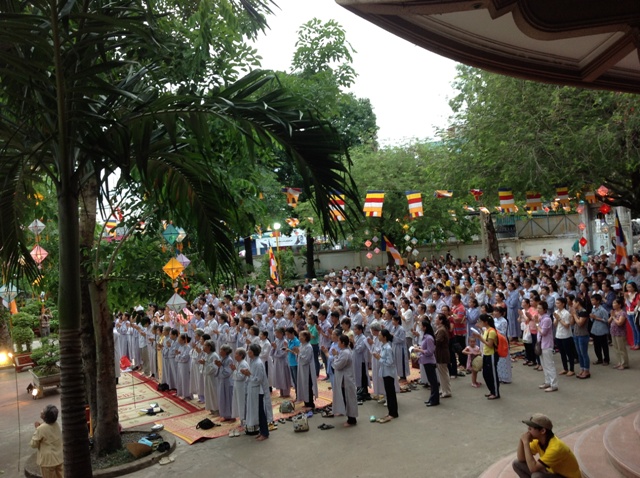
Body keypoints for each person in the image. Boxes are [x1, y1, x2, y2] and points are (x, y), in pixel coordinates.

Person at [512, 413, 581, 478]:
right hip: (553, 473)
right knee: (517, 463)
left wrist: (526, 442)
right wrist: (521, 440)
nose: (528, 431)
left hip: (566, 477)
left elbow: (533, 468)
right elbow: (521, 458)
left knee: (537, 476)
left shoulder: (556, 448)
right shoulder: (538, 441)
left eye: (530, 428)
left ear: (542, 431)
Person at [245, 344, 273, 441]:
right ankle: (261, 431)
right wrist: (248, 374)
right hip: (254, 389)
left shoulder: (258, 363)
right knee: (257, 412)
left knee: (261, 412)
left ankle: (265, 433)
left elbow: (259, 379)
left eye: (249, 350)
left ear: (253, 352)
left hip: (259, 391)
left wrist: (249, 375)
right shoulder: (253, 361)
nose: (248, 352)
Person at [331, 334, 359, 427]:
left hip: (347, 379)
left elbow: (338, 365)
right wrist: (336, 355)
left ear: (343, 343)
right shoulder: (344, 351)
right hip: (344, 379)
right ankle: (347, 415)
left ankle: (352, 419)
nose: (337, 342)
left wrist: (334, 356)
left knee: (349, 399)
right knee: (345, 398)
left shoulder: (346, 353)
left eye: (339, 341)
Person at [30, 404, 63, 478]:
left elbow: (33, 444)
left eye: (43, 410)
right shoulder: (56, 424)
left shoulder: (41, 429)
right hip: (59, 459)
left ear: (45, 416)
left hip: (48, 462)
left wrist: (37, 429)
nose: (41, 411)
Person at [473, 314, 500, 400]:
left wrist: (480, 338)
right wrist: (480, 333)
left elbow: (489, 344)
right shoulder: (487, 330)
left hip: (491, 354)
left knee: (492, 374)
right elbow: (484, 337)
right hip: (486, 353)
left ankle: (495, 392)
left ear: (485, 322)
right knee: (486, 373)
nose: (480, 322)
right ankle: (491, 390)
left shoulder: (492, 331)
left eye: (481, 321)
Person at [413, 320, 439, 406]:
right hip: (426, 361)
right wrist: (419, 348)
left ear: (425, 327)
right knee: (431, 381)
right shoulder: (426, 336)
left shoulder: (429, 338)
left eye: (421, 326)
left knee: (433, 381)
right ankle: (432, 398)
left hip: (429, 361)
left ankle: (434, 400)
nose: (420, 327)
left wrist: (419, 350)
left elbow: (430, 351)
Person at [375, 329, 398, 421]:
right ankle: (391, 412)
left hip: (389, 373)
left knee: (390, 393)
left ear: (384, 337)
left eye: (380, 335)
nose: (378, 336)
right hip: (385, 372)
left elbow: (390, 362)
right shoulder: (383, 346)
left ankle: (393, 413)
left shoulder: (388, 348)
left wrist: (379, 359)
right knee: (388, 393)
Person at [537, 301, 558, 392]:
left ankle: (554, 384)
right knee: (544, 365)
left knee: (549, 365)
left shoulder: (547, 319)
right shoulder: (541, 318)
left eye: (540, 308)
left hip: (547, 344)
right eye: (538, 308)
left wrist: (537, 324)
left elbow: (543, 332)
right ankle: (547, 382)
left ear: (545, 309)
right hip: (541, 344)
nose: (538, 310)